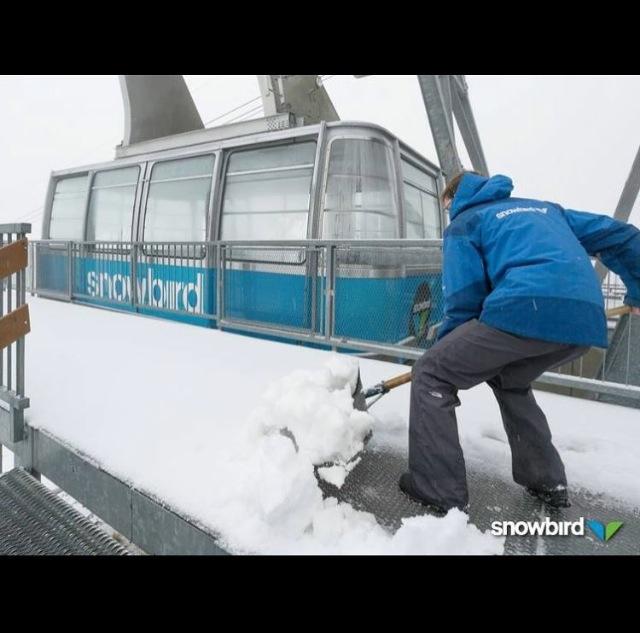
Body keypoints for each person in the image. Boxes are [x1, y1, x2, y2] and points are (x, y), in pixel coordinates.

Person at [399, 171, 640, 514]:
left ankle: (438, 489)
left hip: (522, 308)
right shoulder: (546, 210)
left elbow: (465, 298)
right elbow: (622, 236)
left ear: (453, 199)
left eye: (446, 204)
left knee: (431, 374)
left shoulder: (466, 222)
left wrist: (443, 351)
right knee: (509, 379)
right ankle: (546, 481)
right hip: (584, 319)